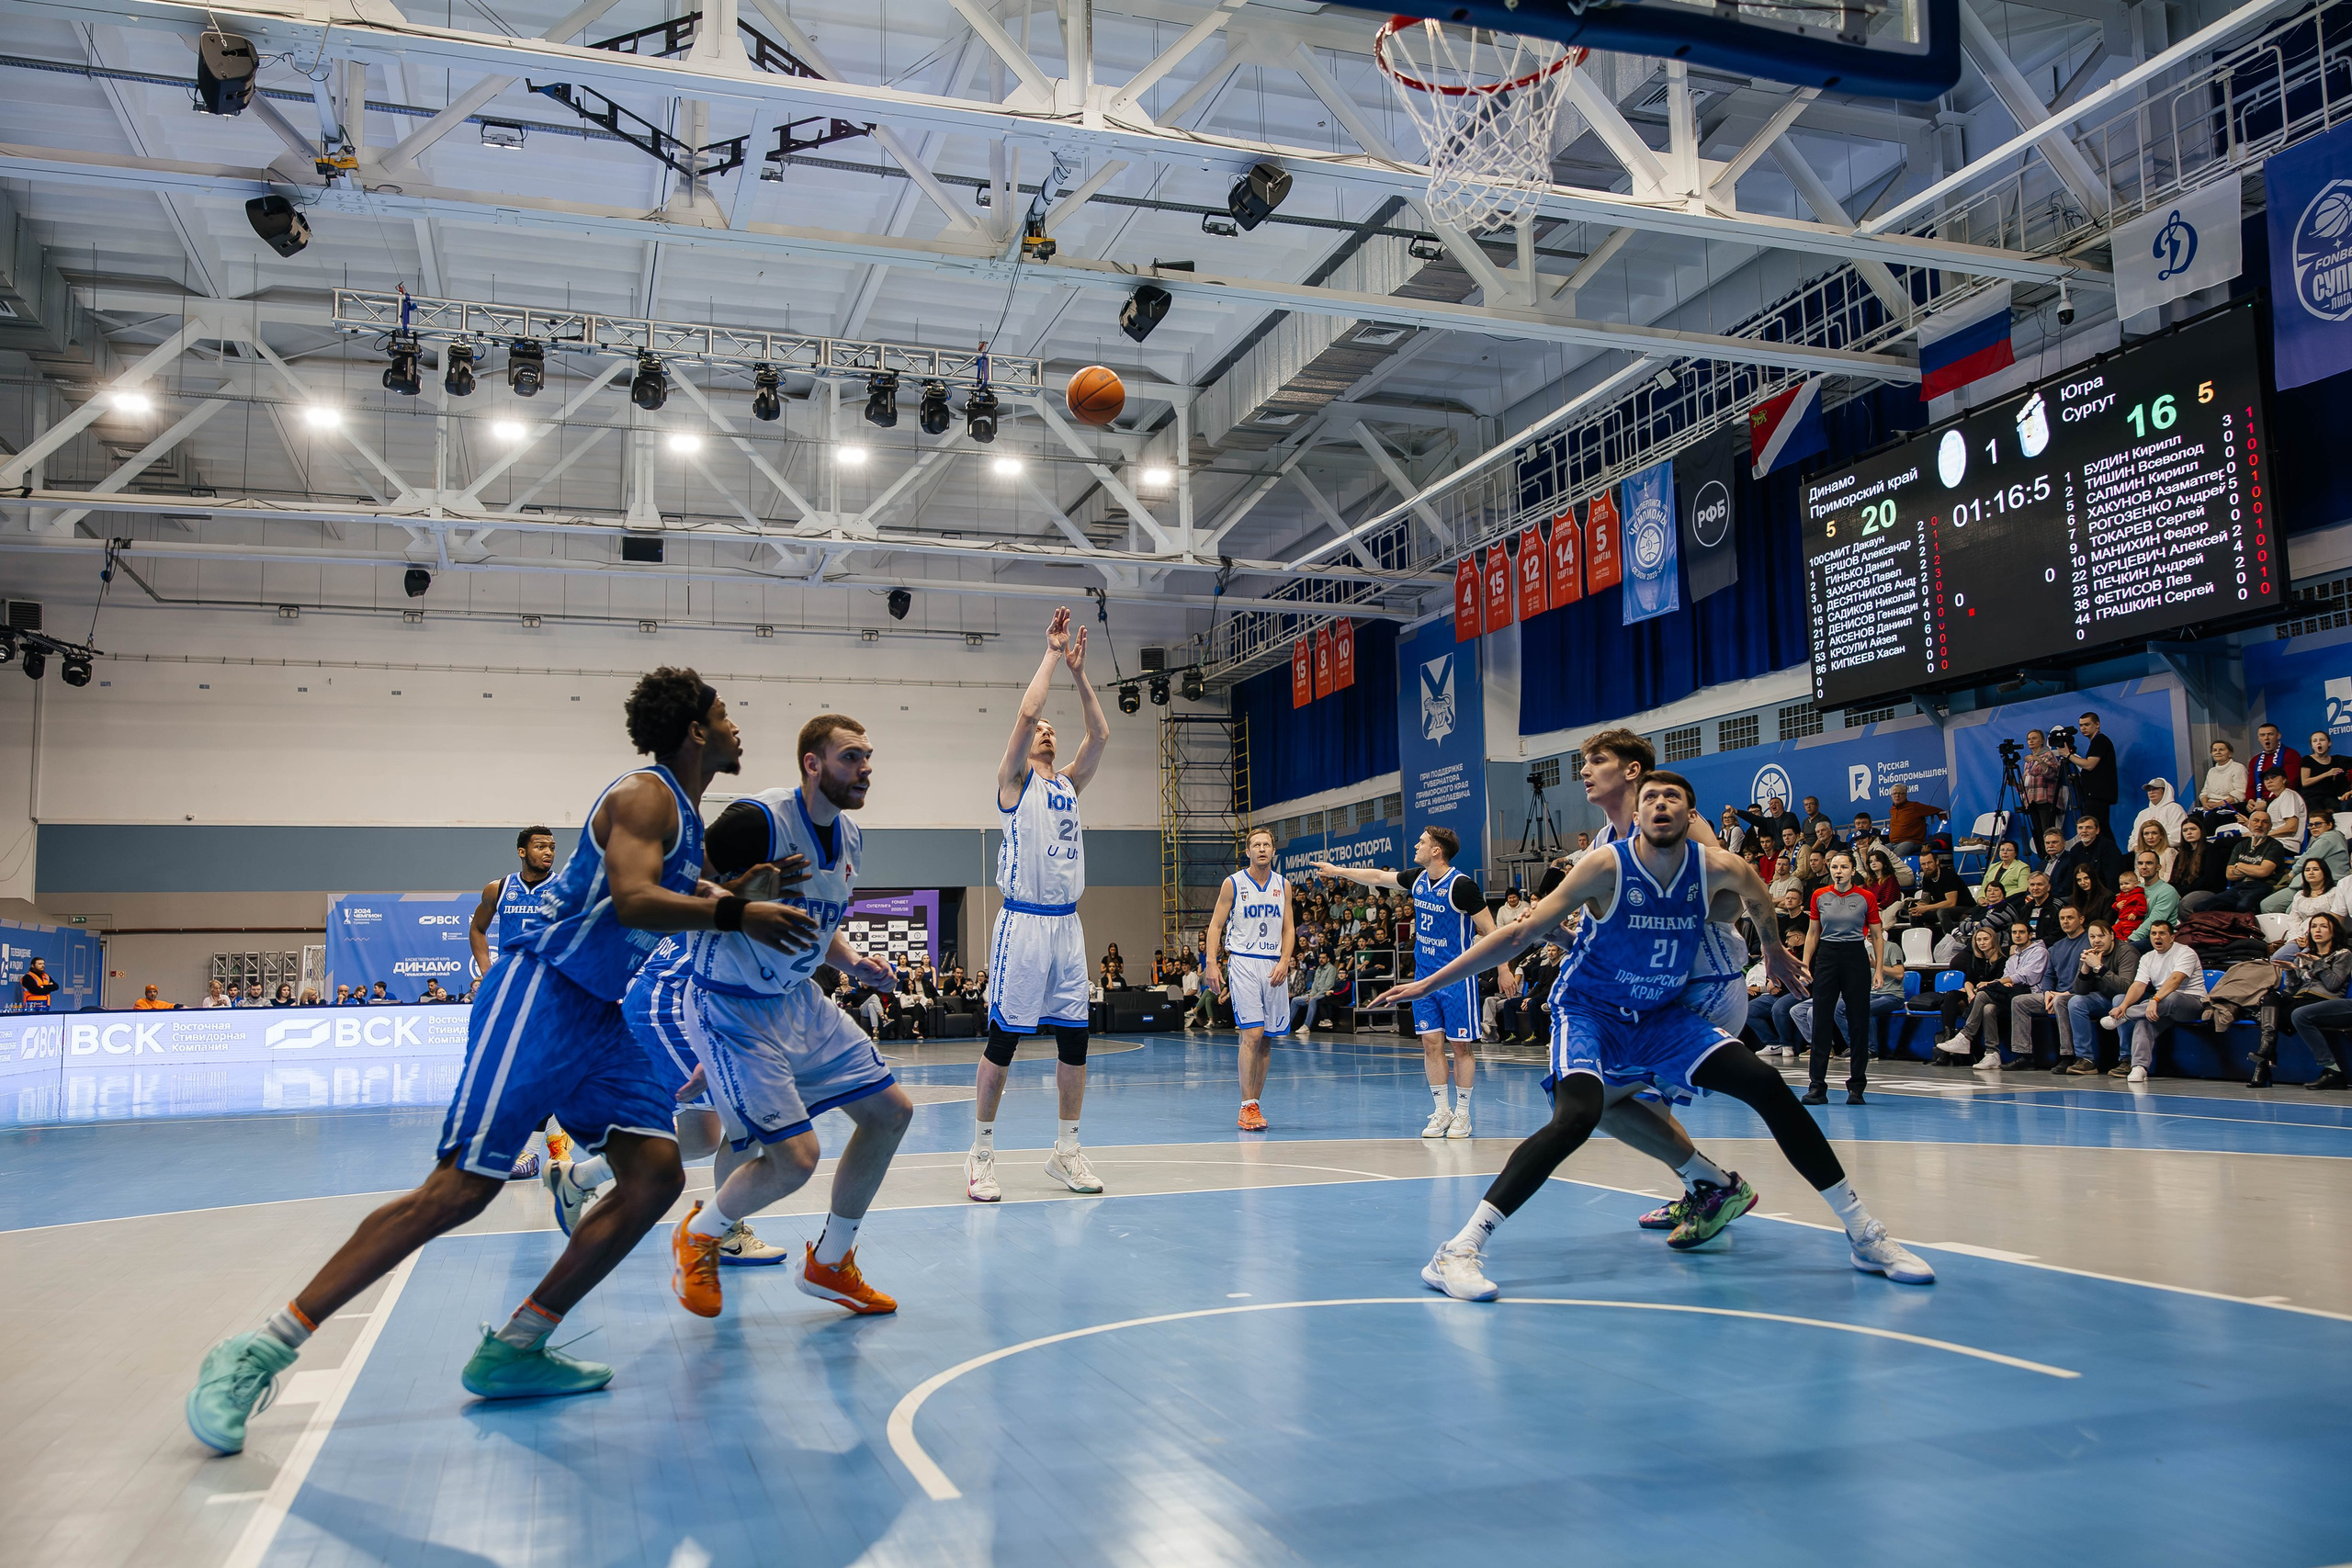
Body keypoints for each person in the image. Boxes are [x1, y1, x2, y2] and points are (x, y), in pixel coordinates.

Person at [183, 667, 824, 1454]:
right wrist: (736, 910)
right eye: (725, 715)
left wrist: (737, 885)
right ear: (694, 729)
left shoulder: (683, 816)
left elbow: (673, 882)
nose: (735, 727)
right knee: (459, 1191)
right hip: (544, 995)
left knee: (657, 1175)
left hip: (600, 1016)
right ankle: (258, 1350)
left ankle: (517, 1346)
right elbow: (631, 897)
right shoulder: (647, 794)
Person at [1380, 772, 1933, 1300]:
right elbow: (1523, 930)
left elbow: (1760, 898)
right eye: (1651, 798)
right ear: (1639, 812)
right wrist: (1428, 982)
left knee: (1766, 1085)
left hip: (1660, 1016)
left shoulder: (1721, 867)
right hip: (1590, 1010)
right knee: (1578, 1116)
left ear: (1689, 813)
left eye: (1672, 797)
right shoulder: (1605, 866)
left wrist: (1771, 947)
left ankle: (1865, 1234)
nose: (1660, 804)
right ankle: (1457, 1250)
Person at [659, 716, 916, 1321]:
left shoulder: (849, 837)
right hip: (730, 1004)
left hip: (798, 999)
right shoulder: (758, 821)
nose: (865, 768)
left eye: (868, 756)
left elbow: (815, 926)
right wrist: (740, 901)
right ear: (812, 763)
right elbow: (670, 881)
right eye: (851, 757)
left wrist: (856, 962)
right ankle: (701, 1233)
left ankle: (830, 1260)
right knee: (795, 1158)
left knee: (891, 1113)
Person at [968, 607, 1113, 1202]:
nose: (1047, 730)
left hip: (1066, 928)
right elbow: (1027, 711)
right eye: (1042, 729)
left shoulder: (1068, 784)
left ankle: (1068, 1150)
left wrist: (1080, 674)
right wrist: (1053, 653)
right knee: (1004, 1042)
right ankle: (979, 1153)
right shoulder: (1013, 781)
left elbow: (1101, 734)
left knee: (1074, 1042)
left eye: (1055, 729)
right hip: (1022, 924)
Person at [1313, 827, 1496, 1138]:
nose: (1416, 845)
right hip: (1423, 979)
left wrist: (1503, 969)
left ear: (1436, 850)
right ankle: (1442, 1111)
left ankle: (1463, 1114)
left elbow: (1492, 931)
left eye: (1422, 842)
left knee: (1460, 1047)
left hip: (1456, 979)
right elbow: (1376, 878)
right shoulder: (1417, 879)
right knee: (1429, 1043)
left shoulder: (1462, 886)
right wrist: (1337, 870)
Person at [1205, 828, 1296, 1129]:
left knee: (1268, 1039)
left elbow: (1288, 929)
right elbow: (1216, 925)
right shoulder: (1233, 884)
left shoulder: (1283, 885)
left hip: (1273, 964)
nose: (1261, 849)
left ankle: (1254, 1105)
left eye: (1266, 844)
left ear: (1273, 851)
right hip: (1243, 962)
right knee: (1253, 1034)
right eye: (1256, 845)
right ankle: (1246, 1105)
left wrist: (1285, 960)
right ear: (1248, 851)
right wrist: (1211, 963)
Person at [1800, 851, 1883, 1104]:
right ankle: (1817, 1087)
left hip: (1855, 956)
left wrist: (1878, 969)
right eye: (1834, 867)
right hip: (1827, 956)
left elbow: (1877, 936)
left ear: (1852, 870)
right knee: (1821, 1020)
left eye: (1843, 867)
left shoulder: (1866, 897)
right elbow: (1813, 933)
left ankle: (1856, 1087)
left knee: (1858, 1020)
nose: (1838, 871)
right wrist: (1805, 964)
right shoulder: (1819, 895)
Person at [2249, 912, 2350, 1089]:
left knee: (2292, 1014)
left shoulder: (2343, 954)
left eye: (2323, 926)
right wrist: (2289, 971)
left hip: (2326, 1000)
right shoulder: (2304, 954)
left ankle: (2332, 1070)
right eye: (2314, 926)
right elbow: (2293, 990)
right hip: (2301, 998)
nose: (2317, 930)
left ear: (2333, 931)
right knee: (2269, 1000)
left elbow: (2333, 985)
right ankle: (2264, 1056)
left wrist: (2318, 964)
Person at [1939, 920, 2046, 1069]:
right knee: (1988, 1008)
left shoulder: (2039, 952)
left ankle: (1965, 1036)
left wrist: (1997, 982)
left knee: (1983, 993)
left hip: (2029, 993)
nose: (2018, 935)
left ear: (2030, 934)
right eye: (2014, 933)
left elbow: (2027, 976)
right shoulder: (2013, 957)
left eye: (2021, 932)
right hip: (2010, 993)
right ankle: (1992, 1054)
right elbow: (2007, 976)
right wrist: (2001, 982)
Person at [2009, 902, 2088, 1071]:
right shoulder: (2056, 947)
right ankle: (2025, 1055)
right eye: (2062, 918)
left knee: (2061, 1002)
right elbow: (2049, 975)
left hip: (2079, 994)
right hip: (2055, 995)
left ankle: (2067, 1055)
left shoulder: (2089, 941)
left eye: (2070, 917)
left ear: (2081, 919)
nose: (2065, 921)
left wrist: (2064, 993)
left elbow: (2089, 978)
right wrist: (2047, 993)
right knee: (2019, 1001)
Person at [2062, 921, 2139, 1073]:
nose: (2096, 940)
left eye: (2101, 936)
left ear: (2111, 936)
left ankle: (2127, 1059)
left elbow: (2126, 987)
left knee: (2119, 999)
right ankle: (2085, 1059)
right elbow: (2080, 991)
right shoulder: (2091, 954)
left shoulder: (2127, 952)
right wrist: (2086, 968)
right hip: (2104, 998)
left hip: (2131, 1000)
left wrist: (2099, 967)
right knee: (2076, 1002)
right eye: (2092, 936)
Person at [1928, 928, 2007, 1061]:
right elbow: (1969, 981)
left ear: (1993, 940)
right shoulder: (1974, 958)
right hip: (1975, 994)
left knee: (1952, 1005)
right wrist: (1971, 993)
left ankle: (1955, 1045)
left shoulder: (2002, 959)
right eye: (1979, 940)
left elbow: (1999, 982)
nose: (1982, 943)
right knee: (1950, 996)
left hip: (1991, 995)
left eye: (1985, 939)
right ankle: (1949, 1039)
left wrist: (1978, 990)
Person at [2205, 809, 2289, 914]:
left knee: (2244, 906)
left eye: (2265, 822)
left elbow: (2263, 872)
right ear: (2248, 824)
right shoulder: (2240, 845)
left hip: (2263, 886)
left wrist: (2239, 865)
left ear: (2270, 827)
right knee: (2203, 907)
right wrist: (2255, 869)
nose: (2259, 825)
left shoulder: (2275, 846)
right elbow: (2229, 874)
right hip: (2240, 887)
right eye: (2256, 821)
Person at [2062, 710, 2120, 840]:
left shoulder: (2100, 740)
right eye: (2081, 725)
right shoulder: (2097, 742)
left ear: (2097, 724)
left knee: (2099, 830)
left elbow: (2089, 765)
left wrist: (2068, 755)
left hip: (2097, 795)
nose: (2083, 728)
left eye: (2087, 725)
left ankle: (2110, 857)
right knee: (2101, 829)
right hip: (2095, 795)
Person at [1892, 849, 1965, 937]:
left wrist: (1926, 908)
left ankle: (1952, 941)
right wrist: (1918, 907)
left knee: (1942, 912)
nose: (1927, 866)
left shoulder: (1948, 875)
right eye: (1923, 864)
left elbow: (1951, 902)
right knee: (1915, 914)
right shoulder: (1927, 878)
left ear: (1937, 861)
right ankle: (1922, 942)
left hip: (1963, 907)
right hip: (1942, 908)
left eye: (1929, 863)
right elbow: (1925, 900)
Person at [2189, 739, 2250, 831]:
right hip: (2210, 807)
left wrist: (2219, 804)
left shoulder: (2238, 768)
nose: (2217, 752)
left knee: (2211, 819)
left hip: (2229, 807)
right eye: (2214, 750)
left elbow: (2240, 793)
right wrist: (2205, 803)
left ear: (2230, 753)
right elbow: (2204, 792)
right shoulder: (2212, 771)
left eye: (2221, 750)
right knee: (2191, 820)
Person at [2245, 769, 2309, 854]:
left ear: (2284, 780)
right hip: (2271, 842)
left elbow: (2291, 827)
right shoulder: (2274, 801)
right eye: (2266, 779)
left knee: (2231, 844)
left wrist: (2262, 836)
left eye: (2273, 777)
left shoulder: (2288, 795)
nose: (2269, 781)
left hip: (2285, 845)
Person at [2127, 850, 2179, 952]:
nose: (2144, 866)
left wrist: (2129, 939)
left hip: (2156, 937)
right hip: (2133, 934)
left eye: (2149, 863)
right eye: (2140, 863)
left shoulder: (2167, 891)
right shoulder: (2135, 889)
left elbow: (2154, 921)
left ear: (2158, 867)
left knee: (2123, 950)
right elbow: (2123, 915)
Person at [2021, 728, 2065, 844]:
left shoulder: (2048, 755)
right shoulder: (2027, 761)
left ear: (2042, 741)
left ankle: (2051, 857)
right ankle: (2043, 858)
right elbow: (2025, 784)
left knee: (2048, 832)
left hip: (2046, 800)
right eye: (2029, 739)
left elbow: (2052, 774)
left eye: (2034, 738)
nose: (2031, 741)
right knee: (2037, 833)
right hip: (2031, 801)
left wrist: (2039, 760)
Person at [2251, 724, 2303, 811]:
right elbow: (2251, 785)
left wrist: (2268, 803)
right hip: (2259, 801)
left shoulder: (2291, 754)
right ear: (2258, 738)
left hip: (2283, 800)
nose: (2266, 738)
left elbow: (2291, 783)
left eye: (2270, 734)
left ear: (2278, 736)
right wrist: (2250, 801)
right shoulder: (2254, 760)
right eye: (2262, 735)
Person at [1884, 782, 1944, 858]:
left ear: (1905, 795)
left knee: (1895, 856)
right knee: (1879, 853)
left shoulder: (1914, 806)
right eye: (1894, 793)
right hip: (1893, 843)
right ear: (1891, 796)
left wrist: (1943, 823)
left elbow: (1938, 810)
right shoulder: (1892, 809)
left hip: (1910, 842)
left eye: (1900, 793)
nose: (1897, 796)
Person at [2301, 730, 2346, 827]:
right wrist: (2327, 774)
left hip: (2330, 796)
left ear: (2329, 743)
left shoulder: (2335, 760)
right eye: (2315, 741)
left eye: (2322, 740)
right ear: (2312, 745)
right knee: (2318, 818)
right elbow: (2305, 782)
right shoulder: (2307, 759)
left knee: (2338, 811)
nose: (2318, 743)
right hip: (2312, 797)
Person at [2073, 814, 2127, 888]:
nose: (2084, 831)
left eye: (2089, 828)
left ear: (2097, 830)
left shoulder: (2108, 847)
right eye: (2080, 828)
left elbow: (2113, 877)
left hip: (2104, 893)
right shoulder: (2075, 849)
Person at [1974, 838, 2030, 909]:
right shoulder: (1993, 866)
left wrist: (2000, 897)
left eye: (2009, 850)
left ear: (2016, 853)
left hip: (2007, 902)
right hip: (1988, 901)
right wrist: (1981, 898)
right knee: (1966, 915)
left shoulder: (2022, 867)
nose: (2005, 852)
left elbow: (2024, 888)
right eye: (2002, 850)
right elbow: (1984, 887)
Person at [1737, 794, 1801, 846]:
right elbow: (1753, 818)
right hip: (1775, 853)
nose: (1773, 804)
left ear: (1782, 806)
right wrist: (1737, 812)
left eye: (1776, 803)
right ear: (1770, 809)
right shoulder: (1768, 822)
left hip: (1790, 849)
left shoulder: (1789, 816)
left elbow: (1787, 831)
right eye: (1771, 804)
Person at [2066, 864, 2116, 931]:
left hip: (2098, 934)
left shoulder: (2108, 897)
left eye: (2086, 878)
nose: (2082, 883)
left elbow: (2107, 923)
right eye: (2079, 880)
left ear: (2093, 878)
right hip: (2077, 935)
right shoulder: (2073, 899)